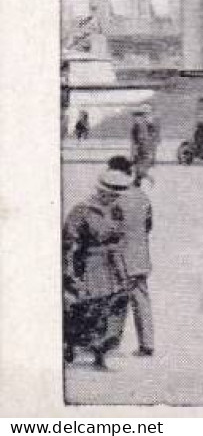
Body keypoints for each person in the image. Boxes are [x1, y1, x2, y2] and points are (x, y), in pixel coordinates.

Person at [62, 168, 133, 369]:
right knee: (88, 308)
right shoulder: (82, 210)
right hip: (89, 264)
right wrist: (70, 272)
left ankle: (101, 353)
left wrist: (123, 271)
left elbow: (120, 240)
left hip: (112, 264)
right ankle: (71, 344)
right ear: (102, 191)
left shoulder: (116, 211)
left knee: (113, 307)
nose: (115, 198)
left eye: (118, 195)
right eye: (112, 194)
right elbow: (69, 243)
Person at [105, 157, 153, 356]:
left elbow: (108, 229)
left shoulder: (113, 198)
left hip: (120, 257)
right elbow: (148, 226)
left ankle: (111, 342)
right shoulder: (142, 197)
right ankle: (147, 344)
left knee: (116, 300)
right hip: (140, 256)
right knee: (141, 300)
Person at [129, 107, 158, 186]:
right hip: (139, 151)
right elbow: (134, 142)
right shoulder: (135, 128)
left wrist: (152, 156)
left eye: (138, 117)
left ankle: (144, 179)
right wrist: (133, 154)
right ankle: (138, 181)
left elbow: (152, 140)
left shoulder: (147, 126)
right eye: (135, 117)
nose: (136, 119)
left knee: (141, 170)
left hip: (145, 151)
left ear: (142, 117)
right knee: (137, 169)